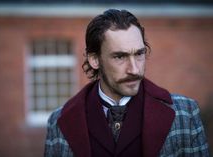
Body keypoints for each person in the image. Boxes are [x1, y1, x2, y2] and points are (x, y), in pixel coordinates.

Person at [44, 9, 209, 157]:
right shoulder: (59, 121)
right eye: (120, 56)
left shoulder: (185, 113)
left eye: (139, 54)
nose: (135, 69)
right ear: (94, 59)